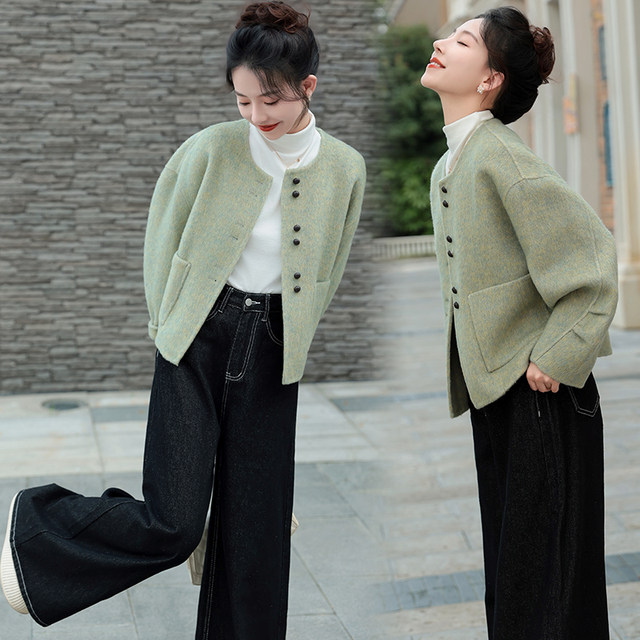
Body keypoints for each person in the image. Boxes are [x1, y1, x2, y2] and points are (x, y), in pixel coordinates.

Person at [0, 2, 366, 638]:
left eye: (271, 101)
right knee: (173, 522)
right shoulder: (210, 150)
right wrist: (168, 324)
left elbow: (329, 265)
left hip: (275, 346)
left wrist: (297, 334)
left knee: (256, 532)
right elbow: (162, 237)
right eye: (243, 100)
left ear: (307, 87)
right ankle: (38, 526)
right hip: (198, 335)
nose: (256, 115)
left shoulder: (344, 167)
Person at [421, 7, 617, 640]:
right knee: (519, 574)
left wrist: (555, 357)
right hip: (501, 393)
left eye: (462, 40)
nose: (440, 43)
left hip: (540, 395)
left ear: (490, 78)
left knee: (543, 580)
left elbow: (594, 264)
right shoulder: (453, 163)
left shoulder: (503, 159)